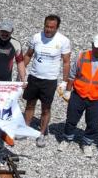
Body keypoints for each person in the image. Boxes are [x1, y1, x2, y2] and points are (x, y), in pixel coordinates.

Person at [59, 34, 98, 157]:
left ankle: (87, 143)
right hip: (79, 94)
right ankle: (67, 139)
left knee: (93, 123)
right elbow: (72, 75)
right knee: (71, 119)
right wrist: (68, 91)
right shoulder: (82, 56)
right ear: (92, 45)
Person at [22, 15, 71, 147]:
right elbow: (28, 55)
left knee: (46, 108)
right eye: (46, 26)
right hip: (34, 77)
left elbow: (66, 62)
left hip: (49, 80)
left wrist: (64, 82)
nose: (48, 29)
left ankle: (42, 134)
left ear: (57, 27)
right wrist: (21, 73)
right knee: (30, 104)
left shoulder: (63, 41)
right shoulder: (36, 37)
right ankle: (25, 129)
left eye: (52, 27)